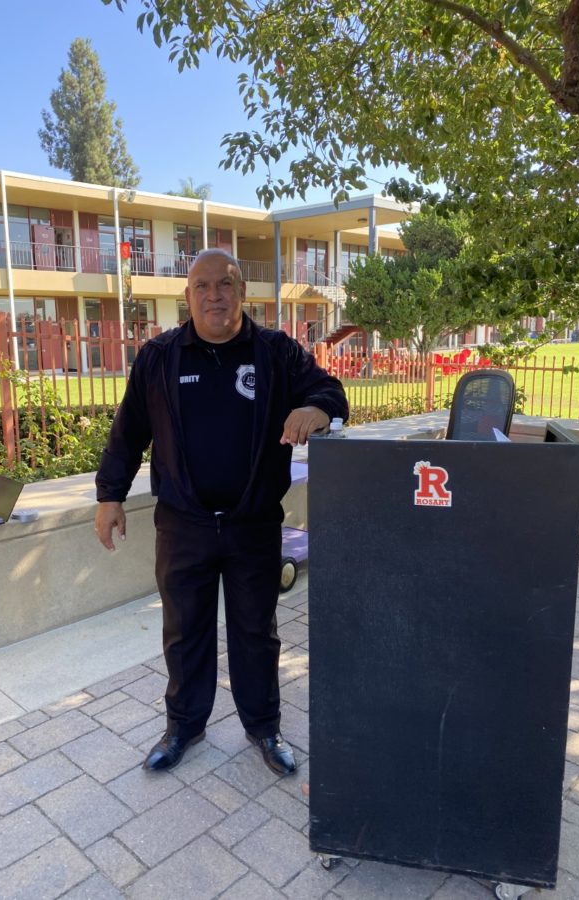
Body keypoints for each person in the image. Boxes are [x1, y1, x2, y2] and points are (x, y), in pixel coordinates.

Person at [94, 249, 348, 775]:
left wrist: (316, 409)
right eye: (202, 286)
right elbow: (128, 433)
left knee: (257, 630)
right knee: (184, 630)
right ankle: (184, 726)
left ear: (242, 293)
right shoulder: (159, 357)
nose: (214, 295)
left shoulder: (276, 353)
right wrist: (109, 496)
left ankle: (264, 728)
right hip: (182, 524)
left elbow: (330, 391)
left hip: (252, 522)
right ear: (188, 297)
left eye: (225, 284)